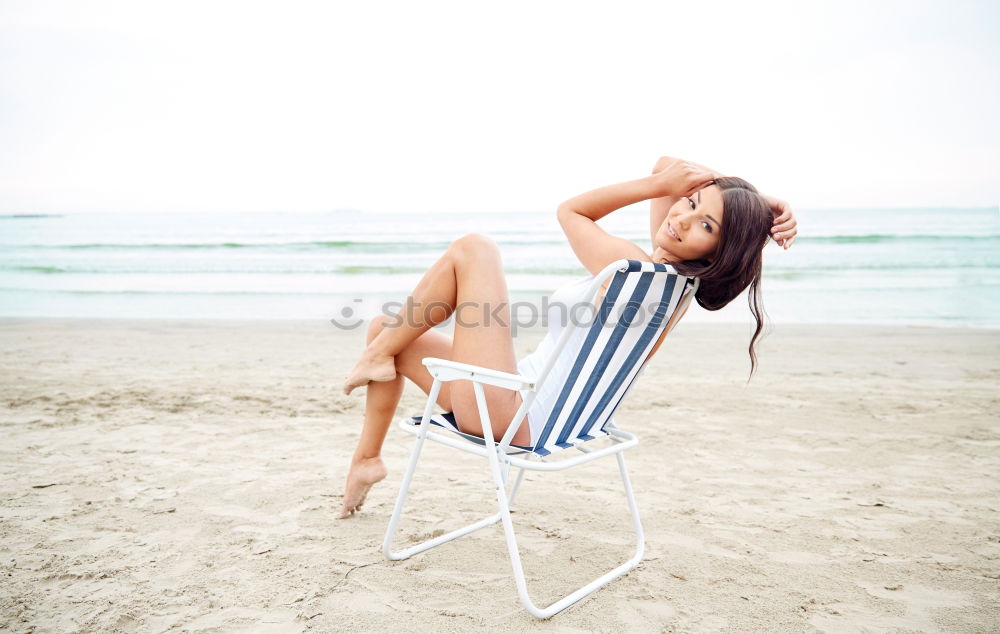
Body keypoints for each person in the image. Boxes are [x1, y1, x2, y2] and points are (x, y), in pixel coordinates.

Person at [337, 156, 798, 519]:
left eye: (706, 226)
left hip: (509, 415)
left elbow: (573, 209)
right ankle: (367, 459)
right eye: (692, 203)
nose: (681, 217)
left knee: (475, 249)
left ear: (721, 250)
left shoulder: (632, 270)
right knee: (388, 330)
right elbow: (669, 165)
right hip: (517, 402)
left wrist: (688, 192)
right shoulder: (671, 286)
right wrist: (752, 201)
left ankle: (374, 358)